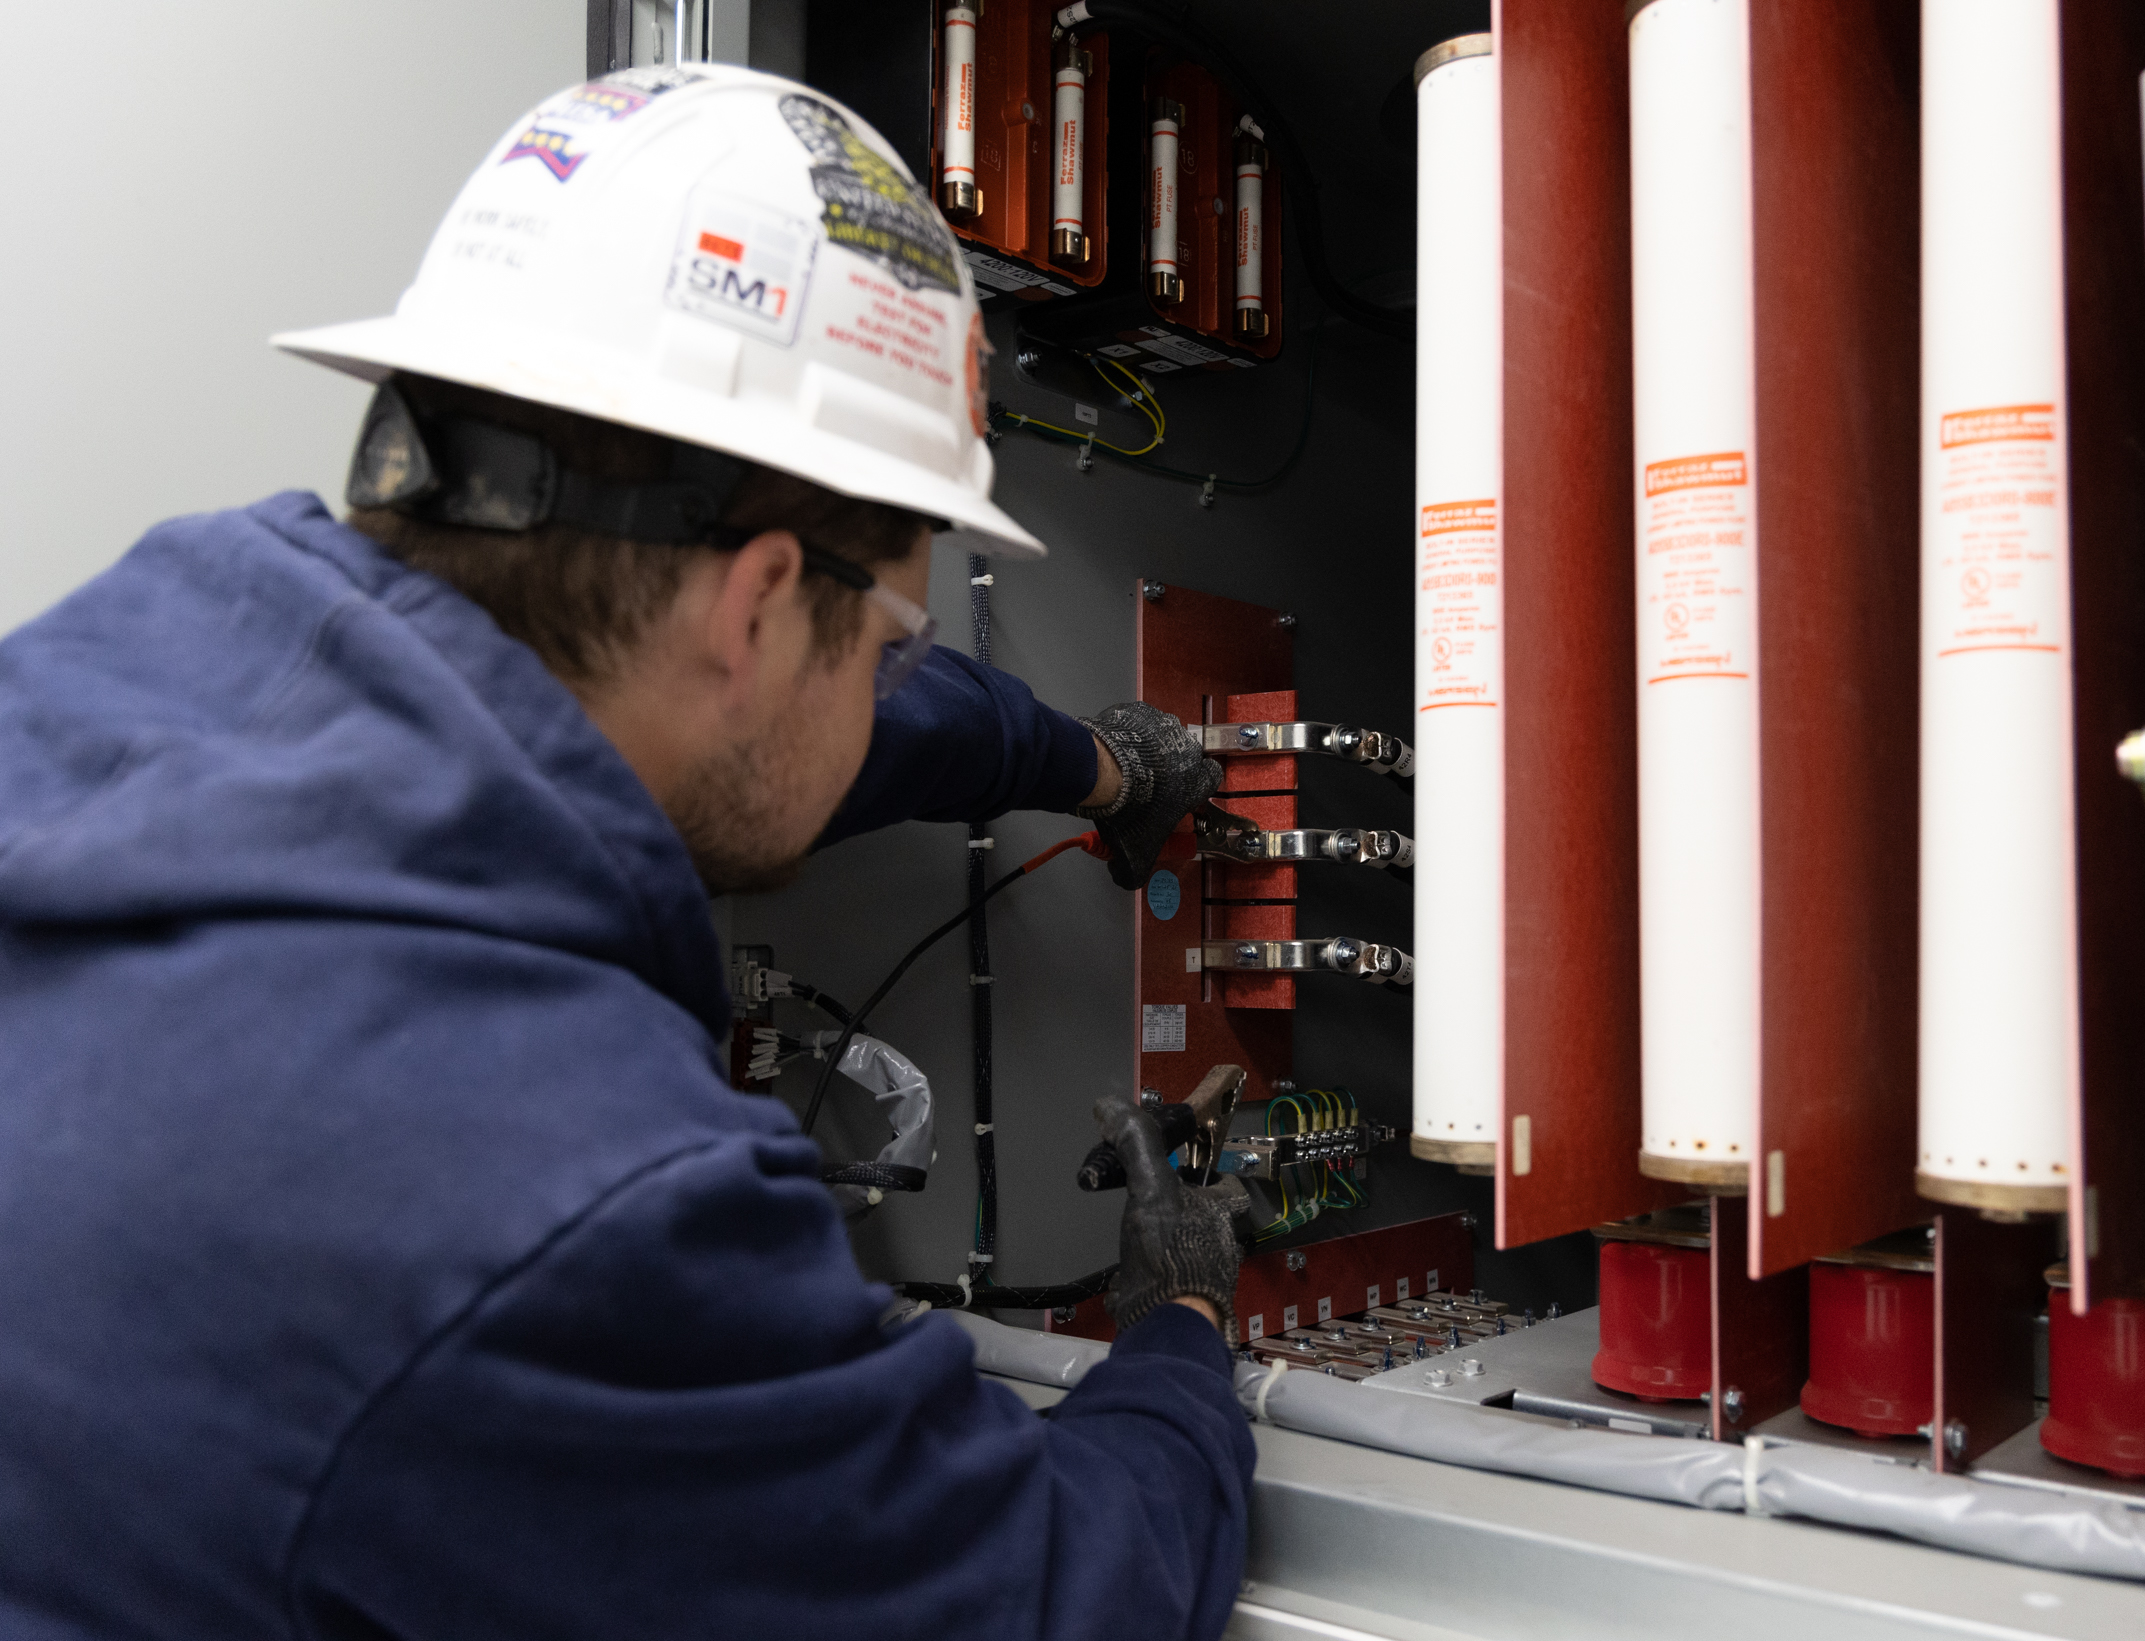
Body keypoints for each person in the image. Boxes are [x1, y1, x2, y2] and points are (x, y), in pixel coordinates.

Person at [0, 65, 1251, 1641]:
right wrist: (1179, 1325)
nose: (890, 687)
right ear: (755, 602)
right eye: (891, 642)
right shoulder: (569, 1200)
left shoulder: (112, 683)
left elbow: (826, 732)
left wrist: (1093, 765)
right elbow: (1052, 1596)